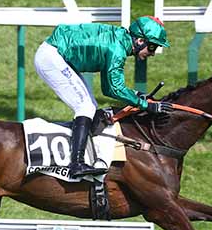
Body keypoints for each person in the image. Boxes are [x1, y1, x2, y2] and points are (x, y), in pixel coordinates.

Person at [34, 16, 174, 178]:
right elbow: (114, 89)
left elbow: (108, 88)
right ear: (140, 41)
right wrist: (145, 105)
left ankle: (80, 154)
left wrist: (136, 95)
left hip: (57, 54)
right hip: (52, 58)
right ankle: (76, 164)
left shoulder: (119, 42)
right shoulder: (117, 50)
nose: (153, 53)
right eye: (152, 47)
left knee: (91, 106)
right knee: (85, 107)